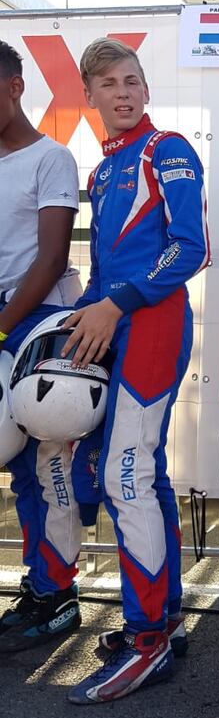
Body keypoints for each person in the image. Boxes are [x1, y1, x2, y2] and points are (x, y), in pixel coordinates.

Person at [62, 38, 209, 705]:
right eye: (108, 84)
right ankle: (165, 619)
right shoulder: (103, 168)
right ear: (89, 97)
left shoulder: (166, 149)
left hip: (153, 322)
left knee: (126, 471)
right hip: (112, 323)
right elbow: (103, 268)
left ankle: (149, 636)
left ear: (146, 91)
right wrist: (86, 314)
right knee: (136, 472)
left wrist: (118, 303)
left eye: (131, 81)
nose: (122, 93)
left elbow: (192, 247)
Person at [0, 40, 84, 654]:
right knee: (15, 465)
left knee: (47, 460)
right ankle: (39, 585)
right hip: (4, 324)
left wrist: (3, 328)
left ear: (15, 86)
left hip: (39, 319)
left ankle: (57, 596)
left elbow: (52, 258)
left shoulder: (51, 158)